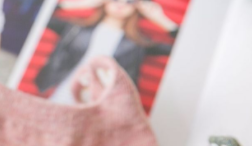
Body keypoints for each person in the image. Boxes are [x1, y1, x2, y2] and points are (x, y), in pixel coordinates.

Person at [35, 0, 178, 104]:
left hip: (101, 106)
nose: (121, 3)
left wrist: (161, 20)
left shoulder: (138, 44)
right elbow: (34, 16)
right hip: (59, 94)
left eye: (130, 0)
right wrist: (78, 4)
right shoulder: (75, 28)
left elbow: (181, 52)